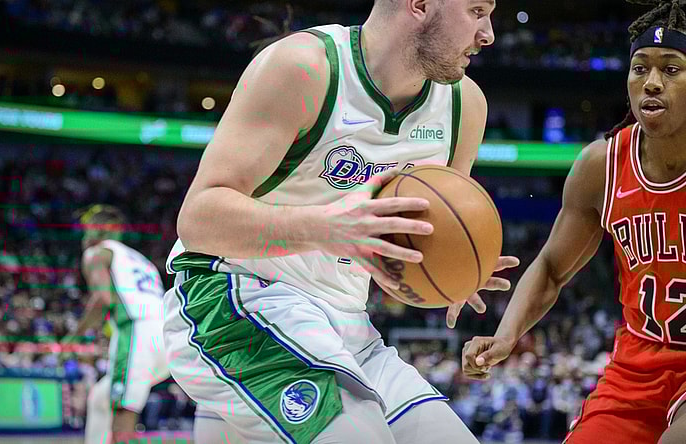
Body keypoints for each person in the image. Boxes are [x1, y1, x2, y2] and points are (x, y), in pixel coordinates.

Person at [161, 0, 519, 443]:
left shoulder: (466, 105)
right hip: (236, 296)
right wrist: (330, 228)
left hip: (348, 325)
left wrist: (458, 267)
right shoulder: (306, 67)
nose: (489, 35)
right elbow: (198, 219)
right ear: (421, 4)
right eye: (477, 11)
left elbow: (426, 238)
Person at [462, 1, 686, 443]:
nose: (651, 82)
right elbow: (551, 267)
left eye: (670, 70)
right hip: (635, 366)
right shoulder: (601, 166)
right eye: (640, 68)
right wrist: (506, 335)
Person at [62, 205, 170, 444]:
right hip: (168, 334)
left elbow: (102, 298)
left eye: (87, 230)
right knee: (100, 398)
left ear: (99, 231)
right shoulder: (141, 260)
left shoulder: (96, 253)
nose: (84, 236)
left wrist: (73, 338)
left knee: (122, 412)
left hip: (137, 330)